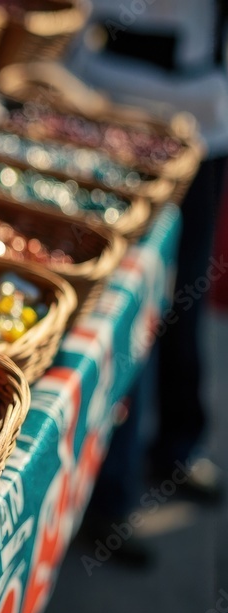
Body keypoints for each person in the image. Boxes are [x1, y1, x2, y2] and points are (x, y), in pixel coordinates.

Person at [66, 0, 228, 563]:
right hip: (99, 105)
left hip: (201, 121)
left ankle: (175, 450)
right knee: (126, 312)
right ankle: (110, 497)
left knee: (184, 301)